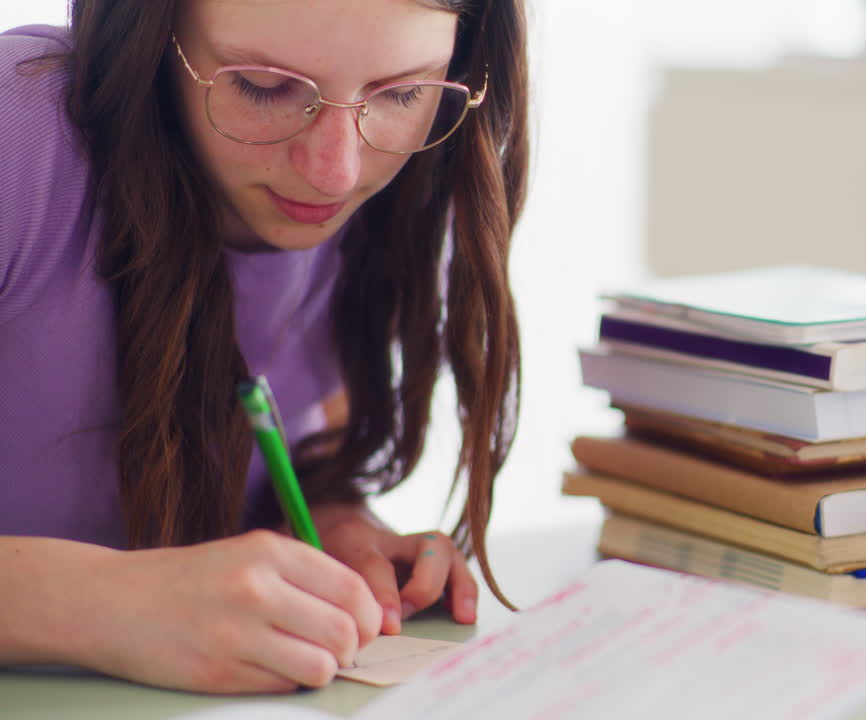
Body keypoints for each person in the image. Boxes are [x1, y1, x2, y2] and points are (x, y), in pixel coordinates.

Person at [0, 0, 527, 694]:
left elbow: (289, 447)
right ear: (152, 36)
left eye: (403, 91)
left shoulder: (405, 188)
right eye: (264, 87)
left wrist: (325, 520)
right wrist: (106, 605)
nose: (334, 173)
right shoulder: (21, 131)